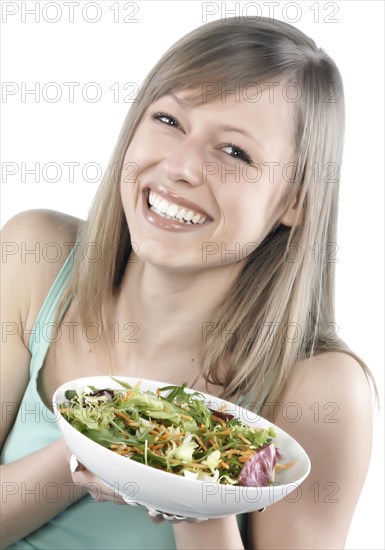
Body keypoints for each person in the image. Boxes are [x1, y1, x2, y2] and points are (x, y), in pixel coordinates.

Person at [0, 15, 376, 550]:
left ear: (296, 201)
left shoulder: (321, 388)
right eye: (170, 120)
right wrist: (102, 445)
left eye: (235, 152)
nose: (180, 167)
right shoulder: (36, 259)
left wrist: (192, 493)